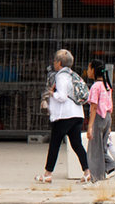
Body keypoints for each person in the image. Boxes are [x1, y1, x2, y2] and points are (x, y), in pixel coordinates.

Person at [36, 49, 90, 184]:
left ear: (59, 63)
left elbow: (62, 97)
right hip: (77, 114)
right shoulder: (73, 75)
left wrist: (51, 93)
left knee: (54, 144)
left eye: (55, 61)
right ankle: (88, 171)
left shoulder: (61, 76)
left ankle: (48, 174)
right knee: (77, 144)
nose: (54, 63)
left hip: (64, 116)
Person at [85, 59, 115, 182]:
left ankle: (105, 172)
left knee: (94, 151)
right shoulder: (106, 85)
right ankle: (107, 172)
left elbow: (94, 107)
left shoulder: (95, 87)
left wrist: (90, 126)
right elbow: (109, 104)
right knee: (102, 148)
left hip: (98, 118)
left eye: (89, 68)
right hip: (107, 118)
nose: (87, 71)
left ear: (93, 70)